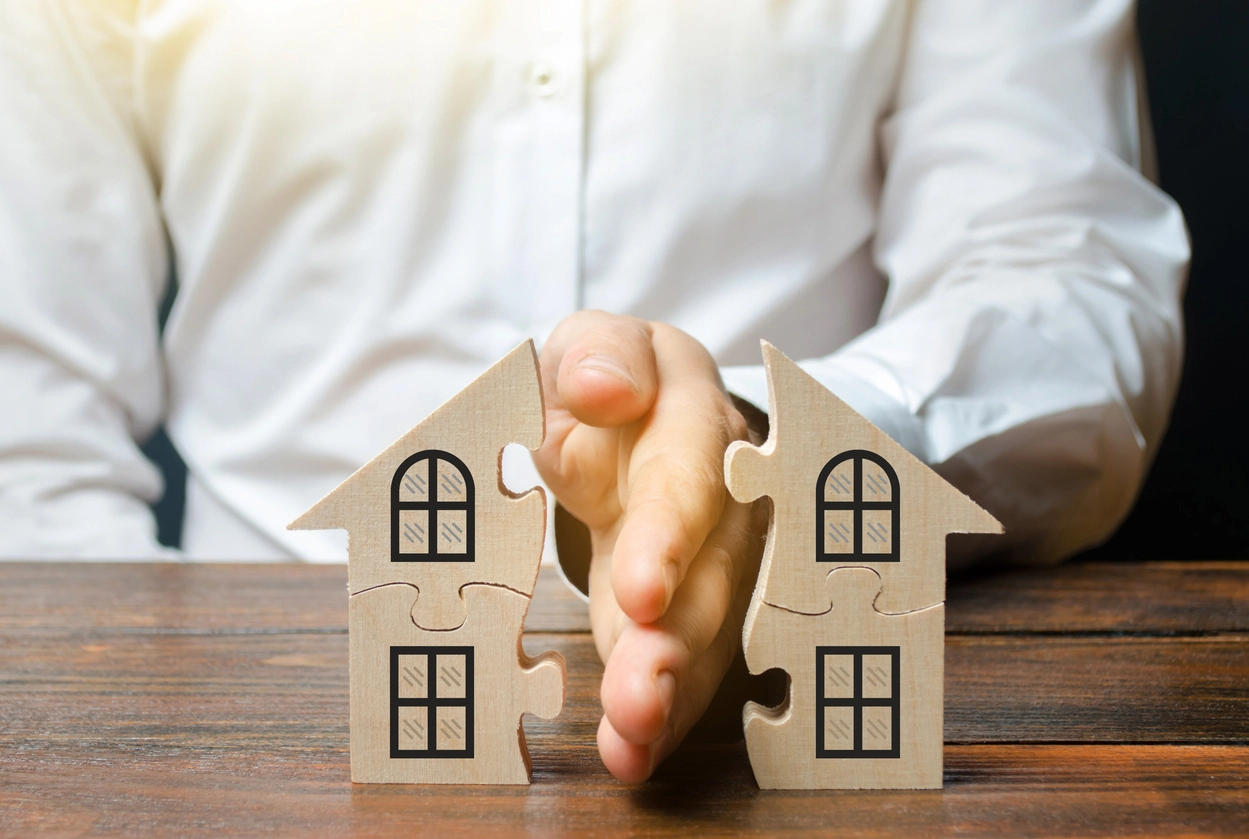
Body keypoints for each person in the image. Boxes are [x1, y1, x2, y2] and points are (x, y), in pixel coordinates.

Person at [0, 1, 1188, 782]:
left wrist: (776, 452)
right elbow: (24, 438)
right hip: (262, 738)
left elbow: (1066, 266)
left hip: (793, 727)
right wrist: (144, 770)